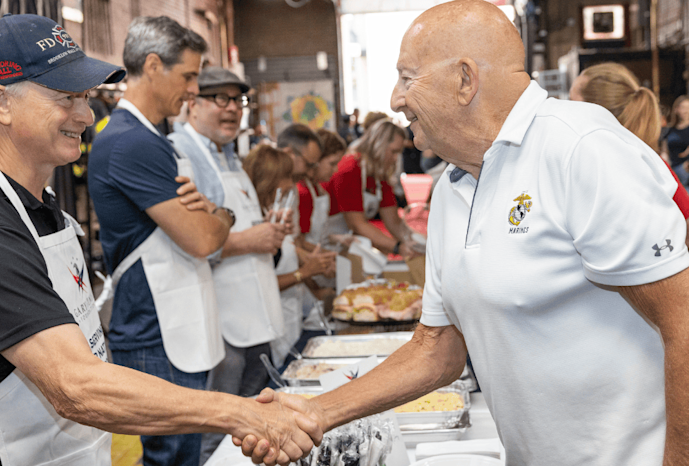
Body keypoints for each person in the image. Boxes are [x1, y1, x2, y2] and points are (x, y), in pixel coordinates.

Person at [239, 1, 689, 464]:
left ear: (465, 79)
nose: (395, 98)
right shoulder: (453, 186)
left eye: (406, 77)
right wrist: (313, 414)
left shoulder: (578, 148)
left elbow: (684, 322)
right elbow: (438, 348)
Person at [0, 14, 319, 466]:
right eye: (65, 97)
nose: (86, 114)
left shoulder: (37, 201)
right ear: (0, 102)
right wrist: (239, 413)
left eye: (85, 96)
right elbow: (74, 385)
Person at [87, 18, 314, 466]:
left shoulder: (152, 141)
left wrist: (211, 214)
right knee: (174, 455)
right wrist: (220, 213)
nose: (193, 89)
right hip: (156, 328)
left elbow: (206, 226)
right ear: (153, 66)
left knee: (191, 451)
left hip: (178, 322)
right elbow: (202, 239)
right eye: (188, 76)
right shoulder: (131, 142)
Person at [165, 66, 289, 465]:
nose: (232, 109)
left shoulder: (230, 156)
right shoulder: (181, 155)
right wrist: (251, 240)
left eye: (238, 101)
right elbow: (189, 242)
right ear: (192, 103)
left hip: (254, 314)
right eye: (220, 99)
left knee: (249, 428)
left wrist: (269, 234)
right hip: (220, 323)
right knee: (215, 432)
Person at [569, 62, 689, 246]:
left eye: (571, 103)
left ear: (596, 112)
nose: (565, 111)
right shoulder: (649, 161)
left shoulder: (632, 167)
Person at [242, 145, 335, 368]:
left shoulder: (273, 215)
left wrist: (309, 260)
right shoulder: (251, 227)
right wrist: (304, 272)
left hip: (289, 324)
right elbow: (257, 283)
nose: (289, 187)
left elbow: (289, 250)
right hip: (264, 330)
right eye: (284, 185)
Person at [325, 118, 419, 258]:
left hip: (347, 244)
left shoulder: (379, 176)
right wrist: (397, 247)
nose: (395, 159)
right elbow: (357, 224)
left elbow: (393, 221)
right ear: (379, 145)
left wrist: (416, 242)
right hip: (327, 242)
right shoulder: (350, 169)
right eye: (393, 152)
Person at [296, 129, 347, 251]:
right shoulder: (302, 192)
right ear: (316, 160)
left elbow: (316, 234)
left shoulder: (318, 189)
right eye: (332, 163)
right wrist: (326, 255)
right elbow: (299, 243)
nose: (335, 170)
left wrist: (337, 238)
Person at [661, 95, 689, 188]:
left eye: (688, 108)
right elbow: (664, 148)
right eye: (683, 107)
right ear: (676, 109)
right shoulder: (670, 129)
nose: (686, 111)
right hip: (671, 170)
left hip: (685, 170)